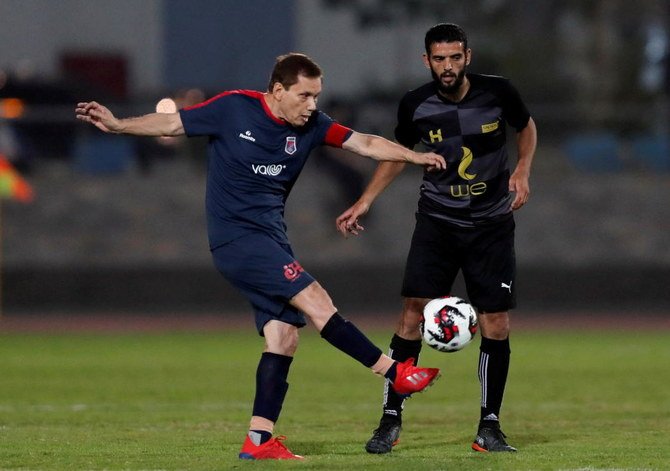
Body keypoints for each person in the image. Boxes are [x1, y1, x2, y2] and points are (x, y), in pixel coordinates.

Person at [75, 52, 445, 461]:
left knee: (283, 337)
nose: (312, 105)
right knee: (317, 300)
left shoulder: (313, 125)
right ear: (278, 91)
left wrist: (414, 157)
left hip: (271, 240)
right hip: (238, 240)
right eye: (304, 96)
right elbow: (171, 122)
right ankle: (396, 372)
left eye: (317, 96)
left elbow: (367, 144)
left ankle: (259, 440)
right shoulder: (234, 108)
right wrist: (116, 124)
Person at [336, 23, 537, 454]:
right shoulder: (415, 104)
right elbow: (397, 154)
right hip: (438, 222)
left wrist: (521, 170)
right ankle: (390, 419)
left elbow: (526, 126)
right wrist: (366, 199)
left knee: (496, 323)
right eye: (439, 59)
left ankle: (490, 426)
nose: (448, 66)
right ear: (427, 61)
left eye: (455, 57)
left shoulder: (498, 92)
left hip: (491, 224)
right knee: (411, 314)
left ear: (468, 56)